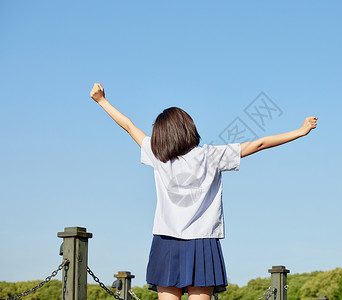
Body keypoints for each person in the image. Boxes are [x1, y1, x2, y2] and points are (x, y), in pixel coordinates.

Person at [90, 83, 318, 300]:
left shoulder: (157, 155)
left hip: (166, 240)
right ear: (188, 128)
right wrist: (300, 131)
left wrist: (102, 101)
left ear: (162, 135)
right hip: (202, 242)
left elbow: (129, 125)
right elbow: (259, 144)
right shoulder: (211, 155)